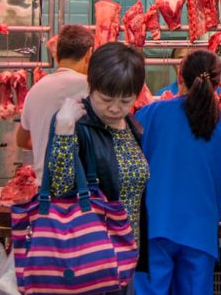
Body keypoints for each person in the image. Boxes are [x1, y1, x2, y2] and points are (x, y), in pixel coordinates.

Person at [133, 49, 221, 294]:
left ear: (180, 77)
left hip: (154, 227)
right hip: (200, 233)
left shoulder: (150, 114)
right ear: (217, 83)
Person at [47, 42, 150, 286]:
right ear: (91, 86)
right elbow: (59, 188)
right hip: (88, 257)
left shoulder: (132, 125)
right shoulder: (75, 122)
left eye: (125, 101)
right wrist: (63, 129)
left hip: (125, 256)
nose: (115, 108)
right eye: (106, 99)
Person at [17, 24, 93, 181]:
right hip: (84, 191)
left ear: (56, 55)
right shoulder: (92, 88)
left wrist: (44, 143)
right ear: (89, 53)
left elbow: (21, 140)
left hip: (44, 191)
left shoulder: (36, 90)